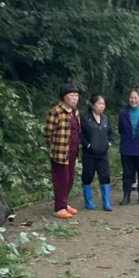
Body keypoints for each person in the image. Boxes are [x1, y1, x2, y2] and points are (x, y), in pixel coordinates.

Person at [43, 83, 81, 219]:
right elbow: (47, 132)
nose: (75, 98)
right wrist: (52, 147)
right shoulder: (56, 111)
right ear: (64, 97)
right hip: (60, 151)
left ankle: (64, 203)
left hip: (73, 151)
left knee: (70, 179)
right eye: (72, 95)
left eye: (76, 95)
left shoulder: (75, 111)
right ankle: (59, 208)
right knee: (61, 179)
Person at [118, 87, 139, 205]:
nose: (133, 100)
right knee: (127, 173)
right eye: (131, 98)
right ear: (128, 99)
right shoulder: (123, 113)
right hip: (127, 148)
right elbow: (120, 130)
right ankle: (126, 196)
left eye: (136, 98)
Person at [81, 94, 113, 212]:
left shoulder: (105, 118)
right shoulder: (85, 118)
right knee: (87, 176)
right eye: (99, 104)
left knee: (105, 176)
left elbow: (110, 133)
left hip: (103, 153)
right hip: (89, 153)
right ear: (92, 105)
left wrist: (109, 143)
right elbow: (81, 134)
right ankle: (88, 202)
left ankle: (106, 202)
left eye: (103, 104)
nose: (102, 106)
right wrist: (88, 145)